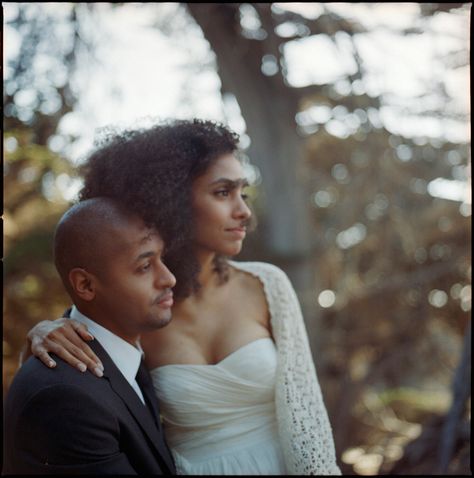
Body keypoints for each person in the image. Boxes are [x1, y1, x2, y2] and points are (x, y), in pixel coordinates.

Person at [23, 119, 341, 475]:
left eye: (243, 193)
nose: (244, 211)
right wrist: (42, 333)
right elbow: (79, 356)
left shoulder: (267, 286)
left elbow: (309, 419)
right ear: (171, 199)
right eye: (223, 193)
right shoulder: (140, 307)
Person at [4, 198, 177, 475]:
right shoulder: (65, 398)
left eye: (162, 259)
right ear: (85, 284)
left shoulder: (125, 355)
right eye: (145, 267)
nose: (169, 278)